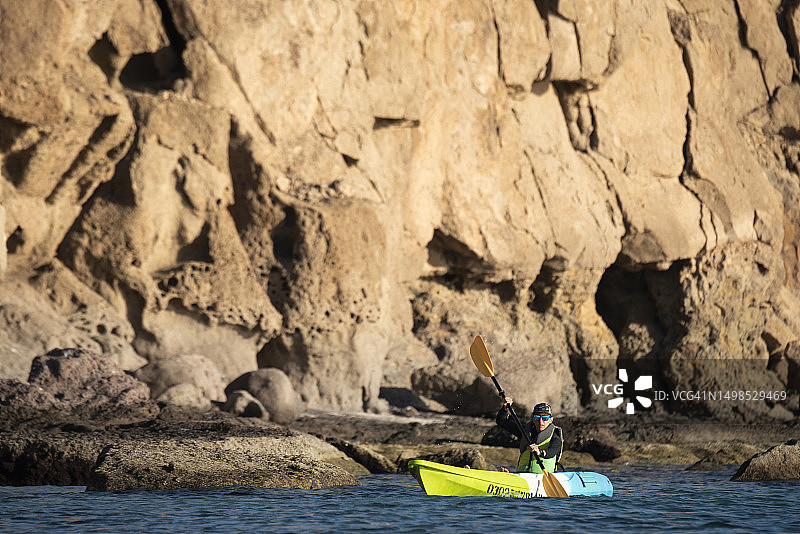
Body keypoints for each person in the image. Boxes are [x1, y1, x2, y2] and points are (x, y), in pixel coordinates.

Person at [496, 398, 563, 473]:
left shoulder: (555, 436)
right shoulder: (525, 432)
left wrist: (539, 452)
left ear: (551, 420)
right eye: (537, 418)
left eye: (545, 418)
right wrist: (505, 409)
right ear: (533, 419)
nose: (540, 422)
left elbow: (553, 451)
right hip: (523, 476)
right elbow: (501, 421)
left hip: (543, 477)